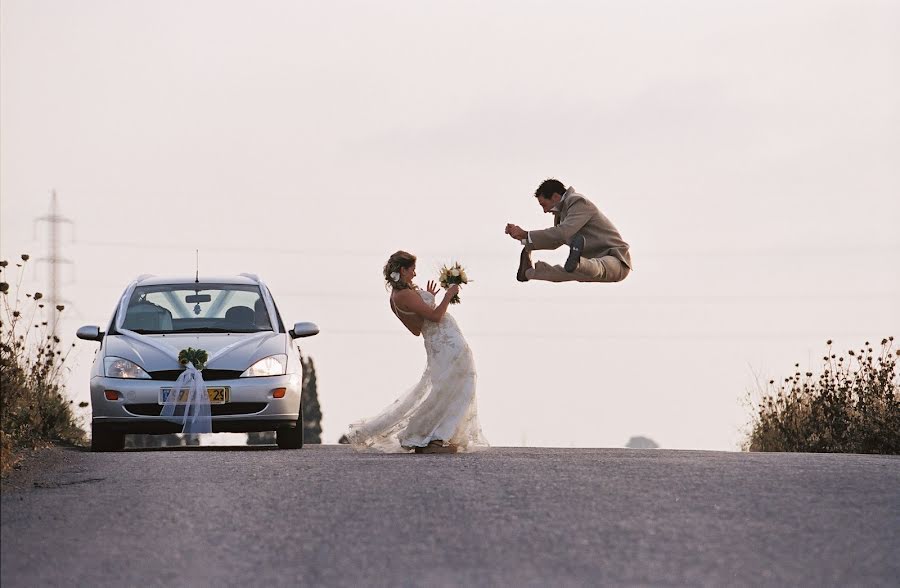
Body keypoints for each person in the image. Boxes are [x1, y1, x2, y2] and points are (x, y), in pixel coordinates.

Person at [346, 251, 488, 454]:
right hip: (446, 345)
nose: (414, 273)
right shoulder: (403, 295)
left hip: (440, 343)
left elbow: (416, 328)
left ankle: (436, 436)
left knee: (449, 387)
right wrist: (448, 295)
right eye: (412, 269)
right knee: (459, 384)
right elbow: (436, 317)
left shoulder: (397, 296)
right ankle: (432, 438)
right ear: (402, 270)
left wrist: (429, 299)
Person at [505, 178, 632, 283]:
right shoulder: (561, 215)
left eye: (544, 204)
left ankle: (578, 263)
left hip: (615, 260)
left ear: (555, 196)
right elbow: (555, 242)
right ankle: (527, 273)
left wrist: (526, 234)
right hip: (591, 263)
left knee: (599, 267)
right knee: (561, 275)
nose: (545, 211)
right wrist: (524, 240)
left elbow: (563, 233)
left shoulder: (577, 201)